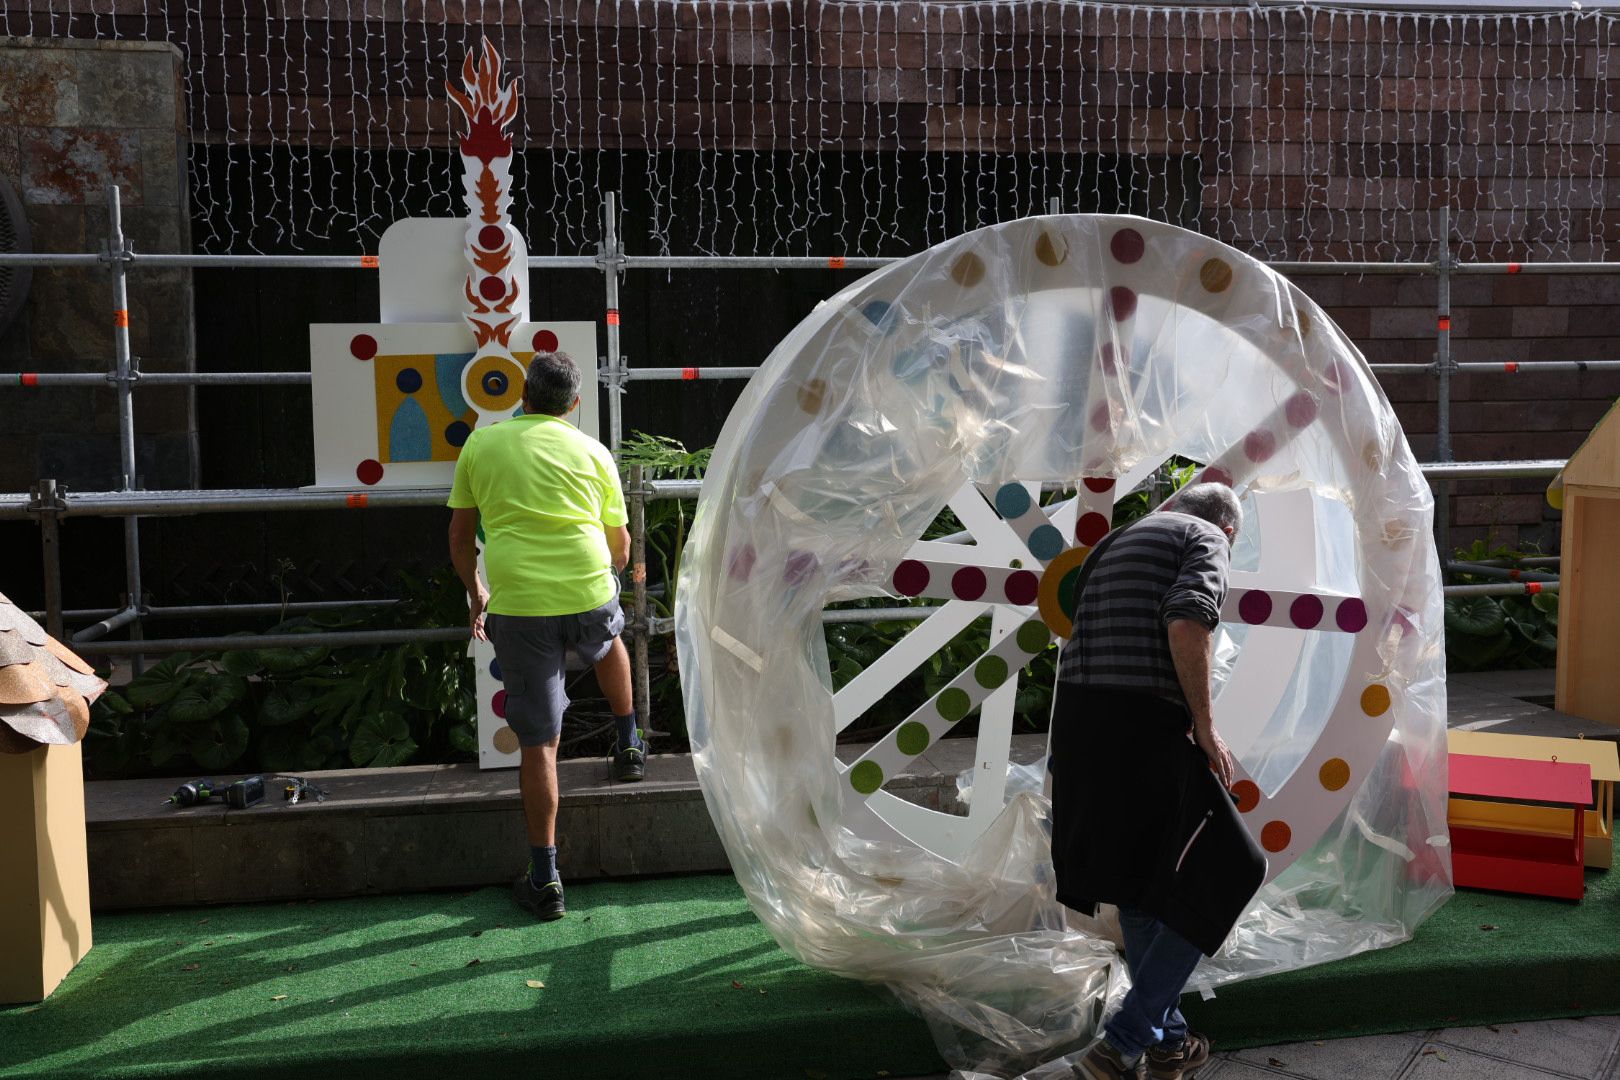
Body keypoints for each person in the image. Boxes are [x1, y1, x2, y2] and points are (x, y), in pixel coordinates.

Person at [1051, 482, 1266, 1080]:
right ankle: (1120, 1044)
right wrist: (1205, 726)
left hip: (1077, 722)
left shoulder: (1116, 539)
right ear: (1227, 529)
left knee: (1142, 890)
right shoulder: (1205, 538)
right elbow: (1186, 621)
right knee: (1237, 867)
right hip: (1140, 719)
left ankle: (1168, 1044)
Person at [447, 351, 648, 922]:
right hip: (587, 589)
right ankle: (629, 741)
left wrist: (476, 593)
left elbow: (461, 538)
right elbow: (622, 546)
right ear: (575, 404)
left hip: (521, 604)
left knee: (540, 744)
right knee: (609, 639)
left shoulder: (482, 445)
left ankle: (546, 877)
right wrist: (603, 577)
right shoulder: (594, 450)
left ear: (523, 396)